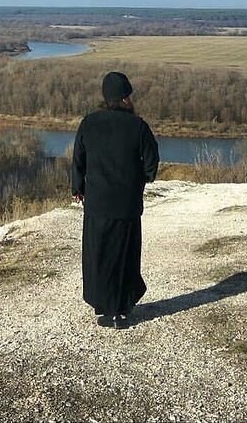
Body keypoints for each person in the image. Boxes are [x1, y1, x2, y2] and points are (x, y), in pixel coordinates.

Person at [71, 71, 159, 329]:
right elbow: (152, 164)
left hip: (98, 204)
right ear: (125, 98)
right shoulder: (138, 126)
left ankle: (106, 308)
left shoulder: (89, 123)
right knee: (125, 256)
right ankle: (122, 310)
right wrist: (141, 180)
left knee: (100, 255)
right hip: (128, 204)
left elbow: (78, 160)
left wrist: (78, 188)